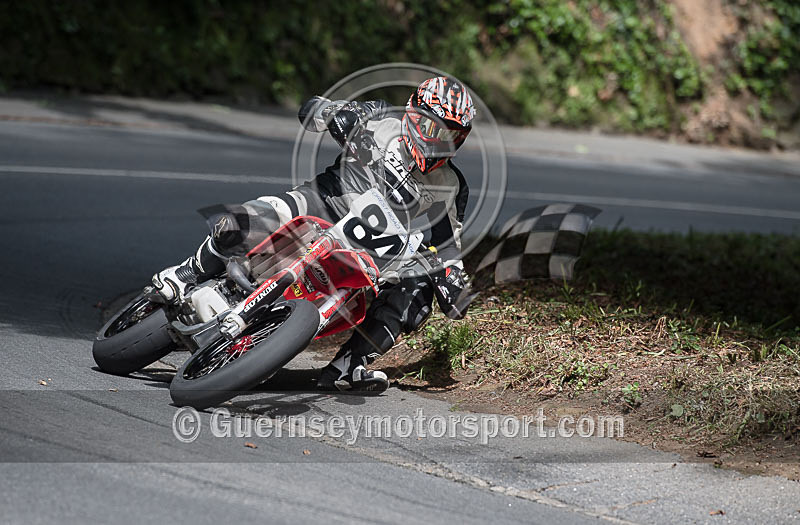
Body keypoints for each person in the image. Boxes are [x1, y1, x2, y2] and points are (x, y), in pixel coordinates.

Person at [152, 76, 476, 393]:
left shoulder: (453, 185)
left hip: (372, 249)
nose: (440, 142)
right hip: (321, 203)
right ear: (413, 115)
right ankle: (185, 275)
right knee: (245, 219)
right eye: (435, 129)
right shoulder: (379, 120)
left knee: (416, 293)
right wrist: (336, 115)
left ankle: (351, 365)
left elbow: (448, 242)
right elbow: (310, 110)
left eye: (452, 136)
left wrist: (452, 277)